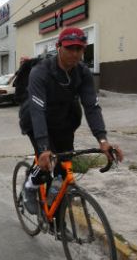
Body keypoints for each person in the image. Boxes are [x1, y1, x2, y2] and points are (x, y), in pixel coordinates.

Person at [18, 27, 124, 215]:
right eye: (70, 48)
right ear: (59, 47)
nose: (75, 53)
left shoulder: (82, 73)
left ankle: (56, 221)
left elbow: (91, 106)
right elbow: (37, 110)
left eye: (79, 48)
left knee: (62, 170)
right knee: (46, 162)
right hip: (36, 121)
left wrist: (103, 140)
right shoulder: (40, 72)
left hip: (64, 121)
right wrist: (43, 148)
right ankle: (30, 186)